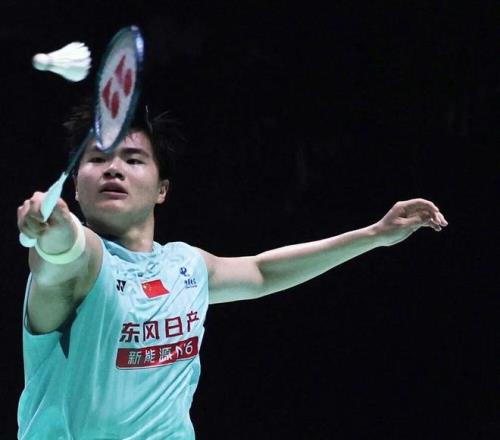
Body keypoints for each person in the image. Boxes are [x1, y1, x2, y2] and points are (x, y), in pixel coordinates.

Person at [16, 105, 448, 439]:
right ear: (75, 186)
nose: (113, 168)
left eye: (133, 159)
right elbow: (63, 255)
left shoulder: (185, 265)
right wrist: (53, 228)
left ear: (162, 190)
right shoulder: (87, 266)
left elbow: (262, 273)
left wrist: (374, 235)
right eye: (97, 158)